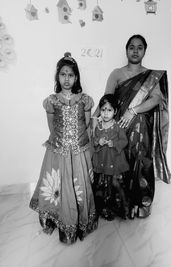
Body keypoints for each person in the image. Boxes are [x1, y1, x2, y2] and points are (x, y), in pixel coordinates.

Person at [92, 34, 171, 219]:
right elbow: (106, 99)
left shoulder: (150, 76)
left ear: (145, 50)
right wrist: (93, 119)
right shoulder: (117, 73)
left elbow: (156, 99)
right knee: (121, 163)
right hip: (118, 128)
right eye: (131, 47)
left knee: (141, 162)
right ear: (126, 50)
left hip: (141, 129)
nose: (135, 51)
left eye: (139, 47)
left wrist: (133, 111)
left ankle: (142, 201)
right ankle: (124, 203)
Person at [29, 52, 98, 244]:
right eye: (63, 74)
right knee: (57, 186)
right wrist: (61, 144)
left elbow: (86, 126)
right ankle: (58, 219)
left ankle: (79, 222)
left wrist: (83, 148)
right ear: (57, 77)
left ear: (76, 77)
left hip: (79, 151)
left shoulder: (84, 100)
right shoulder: (51, 101)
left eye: (70, 75)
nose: (66, 79)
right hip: (58, 151)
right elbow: (52, 128)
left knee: (79, 186)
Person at [92, 94, 129, 220]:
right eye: (103, 110)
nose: (105, 113)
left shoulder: (118, 127)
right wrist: (98, 141)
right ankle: (103, 209)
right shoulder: (98, 127)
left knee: (114, 186)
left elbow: (124, 141)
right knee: (102, 186)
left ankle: (117, 209)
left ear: (115, 111)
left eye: (109, 110)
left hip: (114, 162)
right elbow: (94, 141)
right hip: (102, 161)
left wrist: (115, 144)